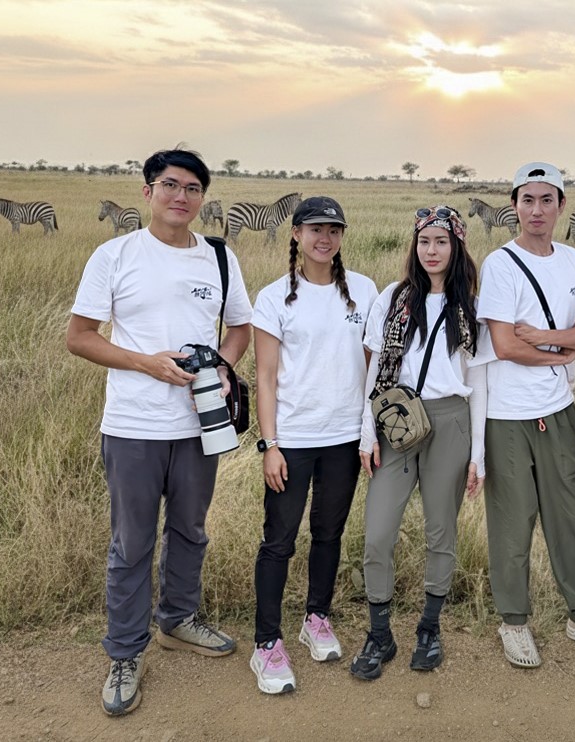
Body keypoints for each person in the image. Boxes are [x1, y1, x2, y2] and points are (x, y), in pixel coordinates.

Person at [66, 148, 252, 716]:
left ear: (203, 198)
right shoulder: (115, 254)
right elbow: (80, 336)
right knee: (131, 543)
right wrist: (147, 363)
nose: (181, 197)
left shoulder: (219, 258)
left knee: (192, 530)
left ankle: (178, 620)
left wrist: (220, 366)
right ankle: (125, 652)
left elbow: (240, 328)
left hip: (202, 425)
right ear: (148, 191)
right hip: (132, 426)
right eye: (170, 185)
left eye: (193, 188)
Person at [476, 162, 575, 669]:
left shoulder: (574, 262)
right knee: (512, 522)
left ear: (562, 206)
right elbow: (501, 344)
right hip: (509, 415)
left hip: (559, 411)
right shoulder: (500, 264)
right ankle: (513, 623)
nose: (536, 210)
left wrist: (541, 337)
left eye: (547, 200)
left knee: (571, 515)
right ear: (513, 205)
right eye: (527, 200)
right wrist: (561, 351)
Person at [349, 205, 487, 681]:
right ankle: (380, 633)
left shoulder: (470, 303)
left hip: (450, 419)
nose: (432, 250)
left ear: (457, 247)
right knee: (378, 532)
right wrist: (368, 433)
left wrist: (480, 455)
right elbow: (375, 370)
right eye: (425, 241)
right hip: (397, 418)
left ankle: (429, 628)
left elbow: (479, 382)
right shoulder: (392, 297)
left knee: (440, 531)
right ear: (415, 245)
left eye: (442, 242)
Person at [249, 196, 377, 694]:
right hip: (294, 440)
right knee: (279, 540)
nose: (325, 238)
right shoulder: (276, 296)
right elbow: (264, 377)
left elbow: (370, 369)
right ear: (296, 234)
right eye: (315, 229)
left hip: (344, 438)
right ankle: (267, 643)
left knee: (328, 534)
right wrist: (270, 445)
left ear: (342, 237)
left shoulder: (362, 291)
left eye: (334, 230)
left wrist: (368, 435)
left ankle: (315, 618)